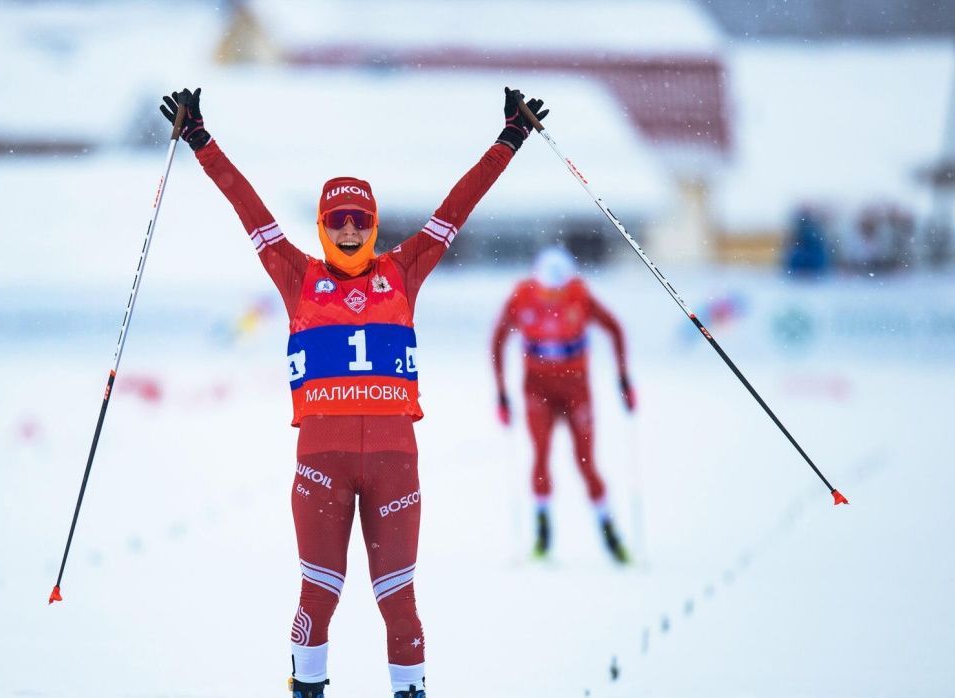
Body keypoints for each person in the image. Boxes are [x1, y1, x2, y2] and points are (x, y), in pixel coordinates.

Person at [161, 86, 549, 698]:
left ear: (372, 224)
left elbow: (460, 204)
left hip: (396, 464)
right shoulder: (296, 275)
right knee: (318, 595)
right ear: (321, 225)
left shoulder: (404, 269)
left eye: (359, 221)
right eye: (336, 221)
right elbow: (248, 206)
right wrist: (201, 141)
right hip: (321, 465)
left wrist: (510, 139)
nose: (347, 232)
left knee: (400, 604)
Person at [490, 246, 634, 563]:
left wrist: (623, 379)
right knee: (540, 456)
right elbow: (498, 339)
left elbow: (615, 329)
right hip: (537, 389)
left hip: (575, 389)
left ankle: (609, 531)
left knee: (586, 462)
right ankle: (542, 533)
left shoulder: (580, 296)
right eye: (546, 291)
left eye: (558, 291)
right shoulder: (521, 297)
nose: (552, 298)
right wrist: (501, 393)